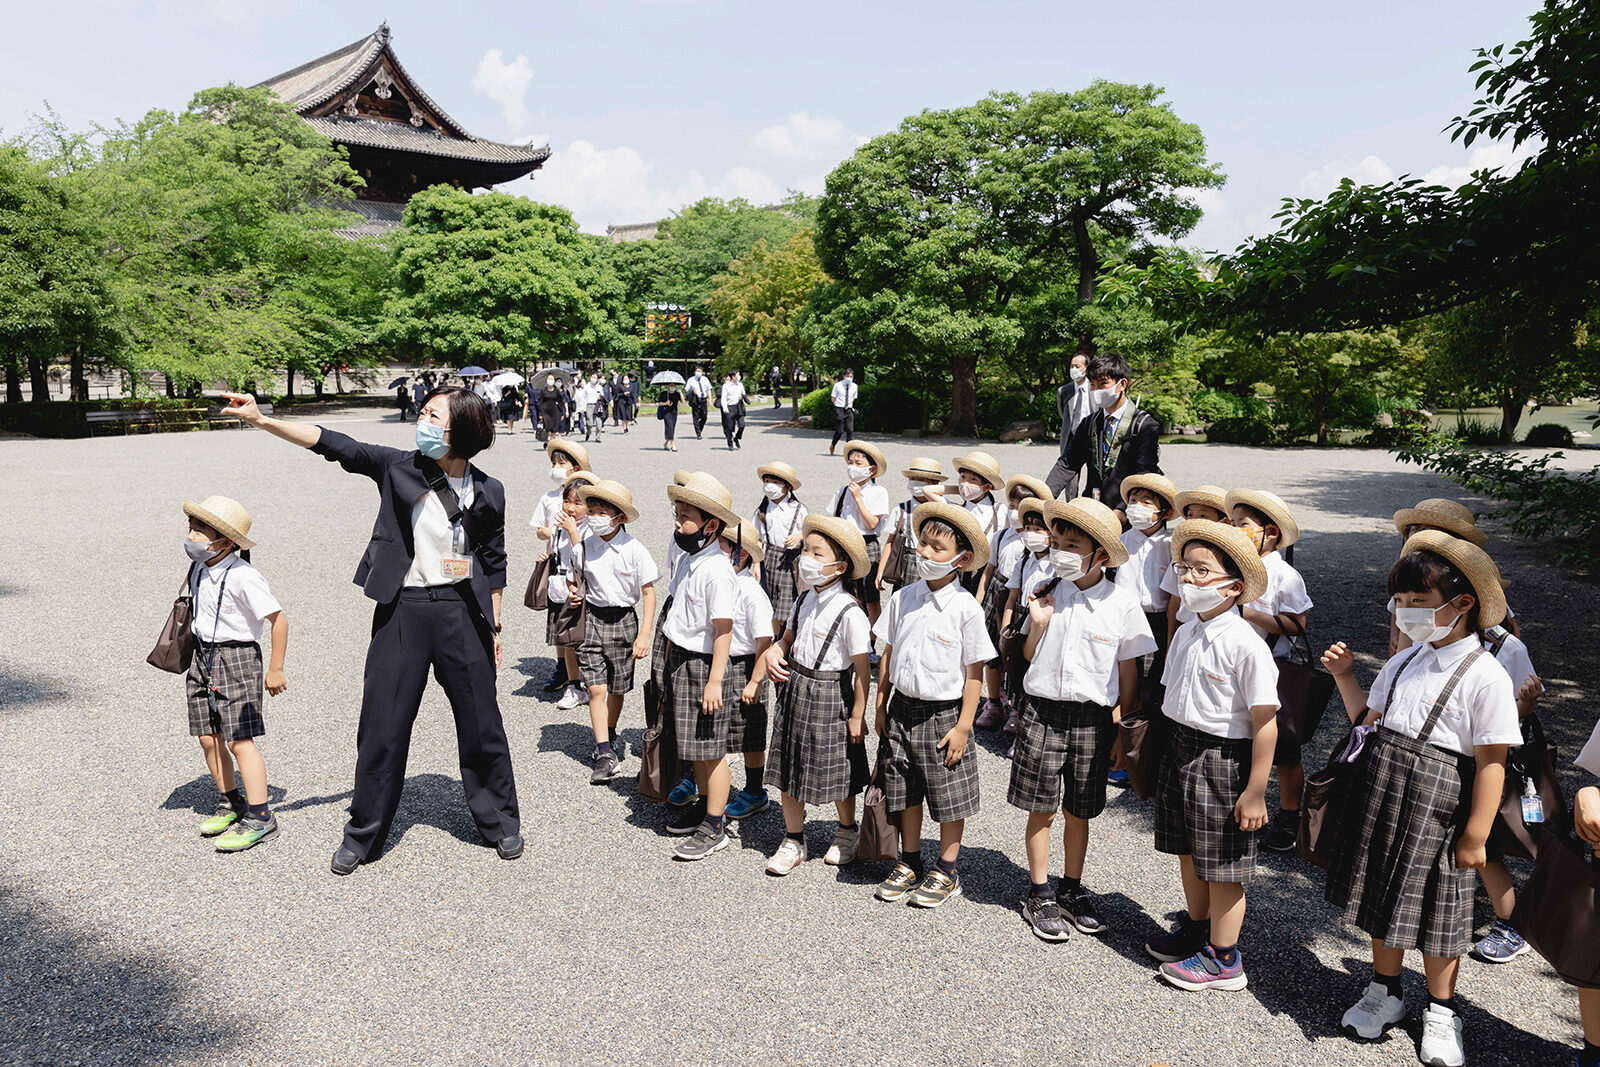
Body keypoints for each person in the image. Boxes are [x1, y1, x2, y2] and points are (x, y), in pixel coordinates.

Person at [220, 388, 524, 874]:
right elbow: (334, 442)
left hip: (462, 613)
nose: (421, 420)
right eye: (423, 411)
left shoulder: (490, 491)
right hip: (402, 609)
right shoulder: (397, 466)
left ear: (461, 429)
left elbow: (493, 559)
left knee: (481, 722)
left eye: (432, 415)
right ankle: (363, 833)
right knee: (382, 725)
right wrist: (262, 420)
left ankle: (501, 822)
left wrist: (495, 623)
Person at [1321, 531, 1519, 1067]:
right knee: (1382, 897)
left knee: (1438, 912)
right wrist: (1344, 677)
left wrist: (1477, 833)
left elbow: (1492, 761)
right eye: (1401, 603)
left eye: (1419, 604)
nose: (1406, 613)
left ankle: (1441, 1008)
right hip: (1385, 796)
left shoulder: (1485, 675)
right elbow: (1368, 722)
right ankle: (1385, 989)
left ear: (1462, 605)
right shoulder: (1406, 661)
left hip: (1442, 808)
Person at [1011, 497, 1155, 939]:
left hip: (1094, 720)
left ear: (1102, 555)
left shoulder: (1122, 604)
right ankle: (1039, 890)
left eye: (1072, 544)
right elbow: (1028, 656)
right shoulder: (1045, 591)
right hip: (1042, 711)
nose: (1060, 552)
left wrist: (1122, 730)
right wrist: (1037, 623)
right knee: (1042, 807)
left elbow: (1129, 673)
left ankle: (1072, 887)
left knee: (1081, 808)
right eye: (1057, 542)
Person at [1144, 520, 1278, 993]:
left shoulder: (1247, 645)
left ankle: (1224, 959)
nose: (1189, 579)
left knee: (1222, 865)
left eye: (1203, 571)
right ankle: (1198, 929)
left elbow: (1266, 724)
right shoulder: (1184, 632)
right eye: (1185, 568)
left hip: (1223, 759)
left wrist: (1256, 791)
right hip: (1182, 747)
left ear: (1234, 586)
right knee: (1186, 848)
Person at [872, 502, 995, 908]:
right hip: (901, 707)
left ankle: (946, 868)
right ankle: (909, 860)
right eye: (922, 543)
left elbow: (974, 673)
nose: (924, 553)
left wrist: (963, 726)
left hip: (944, 714)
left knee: (946, 793)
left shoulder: (966, 609)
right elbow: (888, 652)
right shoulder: (904, 597)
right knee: (903, 787)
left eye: (936, 548)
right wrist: (879, 701)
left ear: (961, 560)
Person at [762, 515, 873, 876]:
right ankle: (794, 839)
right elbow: (787, 639)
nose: (805, 558)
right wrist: (776, 650)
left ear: (840, 567)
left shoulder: (850, 611)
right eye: (805, 549)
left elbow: (862, 670)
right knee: (788, 764)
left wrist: (858, 714)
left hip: (830, 691)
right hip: (795, 686)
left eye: (816, 552)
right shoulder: (803, 599)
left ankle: (846, 831)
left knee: (839, 766)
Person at [178, 495, 288, 852]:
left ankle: (261, 816)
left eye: (200, 530)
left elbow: (278, 619)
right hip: (203, 655)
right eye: (191, 527)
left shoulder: (245, 577)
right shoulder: (200, 567)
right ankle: (231, 801)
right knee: (208, 736)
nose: (192, 535)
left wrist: (275, 668)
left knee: (239, 740)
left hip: (237, 657)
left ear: (225, 542)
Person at [1221, 490, 1315, 854]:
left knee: (1285, 750)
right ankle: (1243, 803)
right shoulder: (1232, 563)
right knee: (1243, 740)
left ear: (1270, 532)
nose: (1235, 529)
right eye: (1232, 523)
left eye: (1244, 525)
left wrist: (1251, 614)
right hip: (1233, 667)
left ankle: (1290, 815)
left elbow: (1297, 624)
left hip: (1274, 670)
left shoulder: (1283, 574)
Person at [659, 476, 742, 857]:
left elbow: (723, 630)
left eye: (685, 516)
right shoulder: (693, 559)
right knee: (694, 744)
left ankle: (715, 825)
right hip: (682, 661)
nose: (678, 522)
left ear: (711, 525)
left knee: (712, 748)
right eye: (677, 513)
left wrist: (715, 681)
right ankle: (705, 805)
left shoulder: (718, 570)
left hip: (704, 665)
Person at [573, 481, 658, 784]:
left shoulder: (635, 550)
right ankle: (605, 750)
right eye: (591, 510)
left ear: (619, 517)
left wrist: (644, 634)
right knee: (596, 689)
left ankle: (608, 729)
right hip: (592, 619)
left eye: (601, 512)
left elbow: (649, 593)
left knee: (618, 688)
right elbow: (577, 582)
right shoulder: (583, 547)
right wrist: (573, 594)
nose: (594, 516)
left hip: (624, 622)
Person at [1113, 474, 1180, 782]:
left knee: (1151, 688)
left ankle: (1143, 756)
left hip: (1157, 622)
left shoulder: (1171, 546)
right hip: (1124, 620)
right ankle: (1119, 751)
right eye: (1133, 501)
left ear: (1164, 512)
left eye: (1146, 502)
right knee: (1123, 684)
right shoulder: (1121, 541)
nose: (1136, 507)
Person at [974, 474, 1051, 731]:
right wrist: (979, 598)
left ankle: (1016, 710)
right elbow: (989, 569)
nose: (1017, 512)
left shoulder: (1035, 551)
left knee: (1020, 661)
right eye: (1013, 505)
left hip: (1027, 605)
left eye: (1023, 505)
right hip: (1001, 593)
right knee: (993, 653)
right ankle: (994, 703)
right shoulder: (1002, 536)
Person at [1054, 351, 1162, 517]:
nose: (1096, 390)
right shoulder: (1089, 423)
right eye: (1092, 385)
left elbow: (1144, 475)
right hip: (1093, 511)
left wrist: (1123, 510)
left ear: (1122, 384)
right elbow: (1068, 464)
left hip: (1127, 514)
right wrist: (1042, 497)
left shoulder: (1144, 425)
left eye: (1103, 384)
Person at [722, 522, 775, 821]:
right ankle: (697, 777)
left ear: (741, 554)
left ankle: (755, 791)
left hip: (747, 664)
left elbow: (765, 641)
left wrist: (756, 680)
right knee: (716, 723)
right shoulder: (721, 580)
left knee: (750, 731)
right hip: (722, 661)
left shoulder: (752, 593)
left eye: (723, 546)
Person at [827, 440, 890, 642]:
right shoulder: (841, 490)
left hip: (866, 545)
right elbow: (832, 518)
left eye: (858, 463)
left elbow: (872, 523)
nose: (852, 467)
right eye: (850, 462)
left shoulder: (878, 492)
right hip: (843, 544)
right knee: (845, 593)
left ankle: (871, 641)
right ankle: (847, 638)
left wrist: (858, 498)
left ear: (872, 469)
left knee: (870, 598)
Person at [873, 457, 944, 597]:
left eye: (920, 479)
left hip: (934, 563)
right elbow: (890, 542)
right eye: (912, 478)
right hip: (908, 564)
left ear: (935, 483)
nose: (914, 482)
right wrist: (880, 571)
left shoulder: (943, 508)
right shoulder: (901, 510)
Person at [754, 461, 807, 636]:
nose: (770, 486)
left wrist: (799, 536)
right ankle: (773, 638)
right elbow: (757, 538)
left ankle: (786, 639)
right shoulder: (762, 510)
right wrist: (755, 564)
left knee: (786, 604)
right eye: (767, 481)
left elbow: (809, 532)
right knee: (768, 601)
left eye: (776, 482)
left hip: (789, 560)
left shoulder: (798, 509)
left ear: (787, 486)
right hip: (768, 557)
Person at [1044, 353, 1093, 498]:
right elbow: (1063, 414)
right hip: (1072, 437)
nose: (1073, 369)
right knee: (1070, 479)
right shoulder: (1063, 391)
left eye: (1077, 366)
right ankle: (1070, 507)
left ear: (1086, 368)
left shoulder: (1095, 388)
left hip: (1093, 436)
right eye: (1072, 366)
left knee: (1095, 475)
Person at [829, 369, 859, 455]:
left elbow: (853, 397)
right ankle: (833, 444)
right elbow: (833, 398)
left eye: (851, 376)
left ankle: (849, 451)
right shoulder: (837, 385)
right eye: (848, 376)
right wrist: (837, 406)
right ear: (844, 376)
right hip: (839, 408)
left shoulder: (854, 386)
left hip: (849, 409)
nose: (849, 378)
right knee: (840, 431)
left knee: (850, 430)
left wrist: (849, 405)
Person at [720, 369, 747, 450]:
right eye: (737, 375)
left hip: (739, 406)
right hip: (730, 407)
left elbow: (743, 394)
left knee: (742, 425)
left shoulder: (740, 385)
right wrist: (725, 408)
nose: (739, 377)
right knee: (729, 427)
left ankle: (736, 438)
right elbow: (723, 398)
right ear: (733, 376)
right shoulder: (726, 386)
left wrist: (742, 397)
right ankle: (730, 443)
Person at [686, 365, 711, 439]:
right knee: (696, 417)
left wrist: (710, 399)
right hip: (695, 399)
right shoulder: (691, 380)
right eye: (697, 371)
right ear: (694, 372)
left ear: (702, 372)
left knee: (704, 417)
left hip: (703, 399)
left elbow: (709, 389)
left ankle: (699, 429)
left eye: (700, 371)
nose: (698, 372)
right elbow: (687, 389)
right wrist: (692, 391)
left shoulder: (705, 379)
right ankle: (698, 433)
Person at [657, 386, 680, 451]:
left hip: (674, 413)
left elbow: (683, 401)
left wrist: (680, 393)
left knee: (672, 428)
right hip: (666, 413)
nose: (672, 386)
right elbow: (659, 403)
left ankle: (665, 443)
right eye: (671, 385)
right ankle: (673, 444)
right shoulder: (664, 394)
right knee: (669, 426)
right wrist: (666, 403)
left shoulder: (676, 394)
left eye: (674, 385)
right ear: (668, 386)